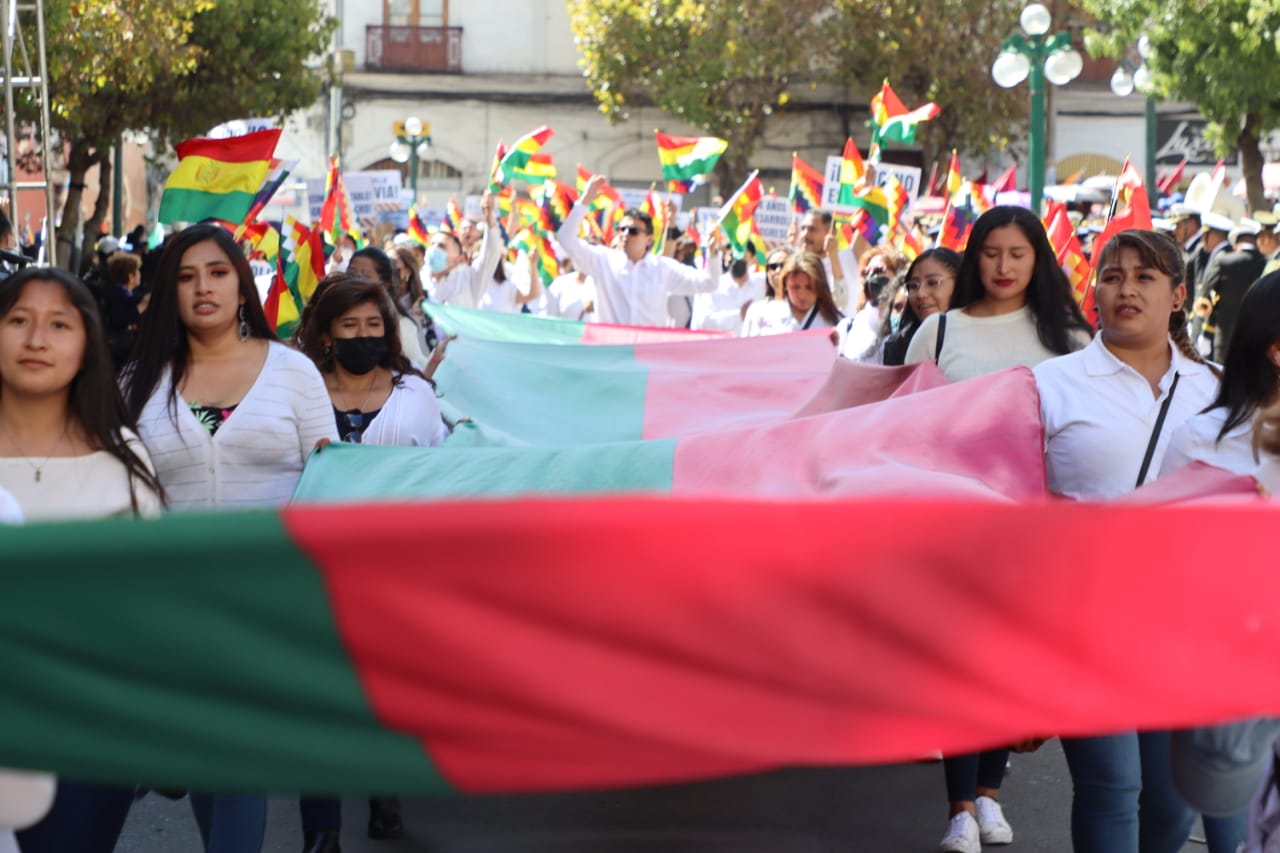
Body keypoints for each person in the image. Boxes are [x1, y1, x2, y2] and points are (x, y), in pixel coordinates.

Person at [122, 223, 336, 853]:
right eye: (186, 278)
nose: (203, 288)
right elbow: (123, 495)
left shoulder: (294, 373)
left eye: (217, 273)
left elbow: (330, 481)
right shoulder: (137, 382)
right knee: (220, 772)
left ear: (242, 287)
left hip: (269, 603)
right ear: (169, 293)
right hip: (174, 611)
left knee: (239, 764)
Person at [1036, 229, 1221, 853]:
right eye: (1113, 276)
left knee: (1171, 803)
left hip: (1185, 624)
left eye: (1145, 277)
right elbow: (1015, 502)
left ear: (1178, 296)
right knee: (1112, 785)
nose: (1127, 289)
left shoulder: (1221, 388)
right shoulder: (1049, 384)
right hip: (1083, 619)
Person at [0, 266, 163, 853]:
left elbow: (150, 607)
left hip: (88, 729)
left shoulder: (122, 460)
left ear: (87, 345)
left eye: (59, 324)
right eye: (18, 319)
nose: (36, 339)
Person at [905, 205, 1093, 382]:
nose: (1003, 268)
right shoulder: (937, 332)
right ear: (975, 258)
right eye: (991, 255)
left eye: (1017, 255)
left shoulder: (1070, 333)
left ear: (1037, 259)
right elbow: (908, 409)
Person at [297, 274, 447, 447]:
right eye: (350, 325)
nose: (363, 333)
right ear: (326, 336)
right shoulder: (304, 395)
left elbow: (440, 459)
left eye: (374, 324)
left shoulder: (415, 393)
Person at [557, 174, 722, 327]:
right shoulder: (602, 260)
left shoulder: (662, 269)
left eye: (634, 231)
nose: (626, 234)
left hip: (646, 354)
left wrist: (713, 253)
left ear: (648, 239)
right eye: (622, 229)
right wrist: (584, 201)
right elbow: (566, 239)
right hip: (610, 353)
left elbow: (709, 283)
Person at [348, 246, 429, 371]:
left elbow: (418, 369)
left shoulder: (401, 325)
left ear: (384, 283)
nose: (356, 280)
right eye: (352, 272)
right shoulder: (334, 314)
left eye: (365, 275)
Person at [879, 248, 961, 366]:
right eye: (913, 286)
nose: (921, 294)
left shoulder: (978, 334)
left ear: (958, 283)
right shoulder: (896, 346)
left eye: (932, 282)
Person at [1201, 219, 1267, 363]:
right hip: (1256, 339)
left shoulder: (1223, 262)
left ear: (1236, 243)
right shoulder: (1267, 263)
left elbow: (1206, 298)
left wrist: (1205, 331)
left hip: (1224, 337)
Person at [424, 192, 502, 309]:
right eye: (432, 244)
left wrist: (489, 215)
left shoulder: (468, 279)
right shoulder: (418, 280)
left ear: (458, 258)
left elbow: (491, 251)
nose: (434, 249)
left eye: (441, 246)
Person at [742, 251, 840, 336]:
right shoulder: (761, 315)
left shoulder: (837, 322)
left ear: (820, 287)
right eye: (795, 287)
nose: (802, 294)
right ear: (785, 285)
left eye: (809, 288)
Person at [691, 254, 766, 334]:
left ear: (752, 260)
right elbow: (704, 322)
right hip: (723, 344)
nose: (738, 259)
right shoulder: (714, 286)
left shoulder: (761, 282)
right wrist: (739, 315)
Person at [102, 251, 146, 372]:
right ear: (130, 276)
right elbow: (120, 319)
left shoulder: (126, 293)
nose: (139, 275)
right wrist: (141, 306)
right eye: (137, 271)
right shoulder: (117, 293)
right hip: (117, 346)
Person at [741, 246, 794, 337]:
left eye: (783, 265)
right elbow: (743, 346)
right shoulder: (755, 310)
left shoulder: (803, 309)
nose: (778, 270)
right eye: (773, 267)